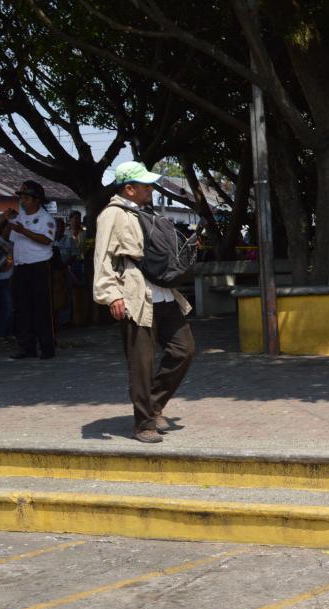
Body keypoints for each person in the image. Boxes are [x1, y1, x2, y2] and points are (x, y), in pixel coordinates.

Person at [93, 161, 195, 443]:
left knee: (183, 349)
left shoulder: (145, 212)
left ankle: (154, 403)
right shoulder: (111, 215)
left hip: (163, 293)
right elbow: (103, 258)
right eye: (145, 185)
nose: (150, 189)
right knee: (141, 364)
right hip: (135, 296)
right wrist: (111, 294)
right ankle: (143, 423)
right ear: (129, 188)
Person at [7, 181, 57, 360]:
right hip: (21, 267)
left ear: (36, 200)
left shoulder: (46, 219)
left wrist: (24, 230)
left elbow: (46, 240)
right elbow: (13, 240)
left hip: (39, 266)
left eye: (26, 198)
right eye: (21, 197)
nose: (22, 201)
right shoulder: (19, 217)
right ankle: (26, 347)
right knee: (22, 309)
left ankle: (47, 347)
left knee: (42, 309)